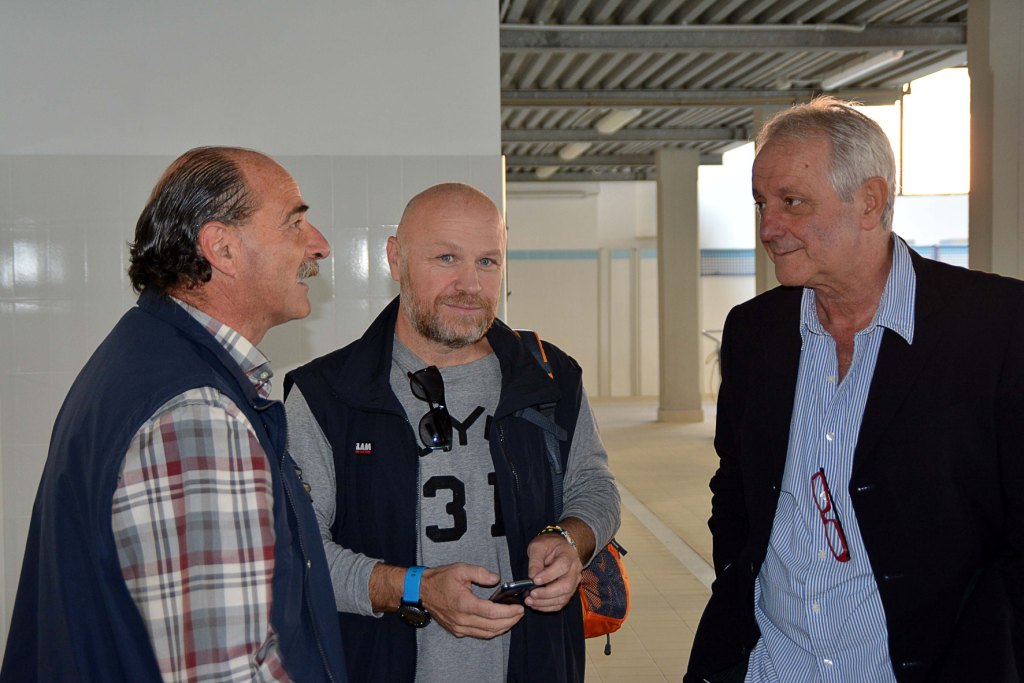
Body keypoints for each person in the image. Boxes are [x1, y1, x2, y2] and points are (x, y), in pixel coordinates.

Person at [685, 96, 1024, 683]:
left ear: (870, 201)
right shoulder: (755, 332)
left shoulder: (996, 326)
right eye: (762, 203)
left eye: (792, 202)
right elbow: (735, 492)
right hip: (771, 666)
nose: (769, 228)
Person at [1, 147, 348, 682]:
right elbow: (223, 670)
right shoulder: (198, 415)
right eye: (294, 223)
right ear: (222, 248)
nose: (319, 244)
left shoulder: (146, 357)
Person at [284, 182, 620, 682]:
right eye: (446, 258)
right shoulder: (326, 395)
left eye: (487, 261)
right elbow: (300, 555)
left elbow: (595, 487)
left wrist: (571, 540)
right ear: (396, 259)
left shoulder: (549, 378)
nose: (470, 284)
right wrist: (413, 588)